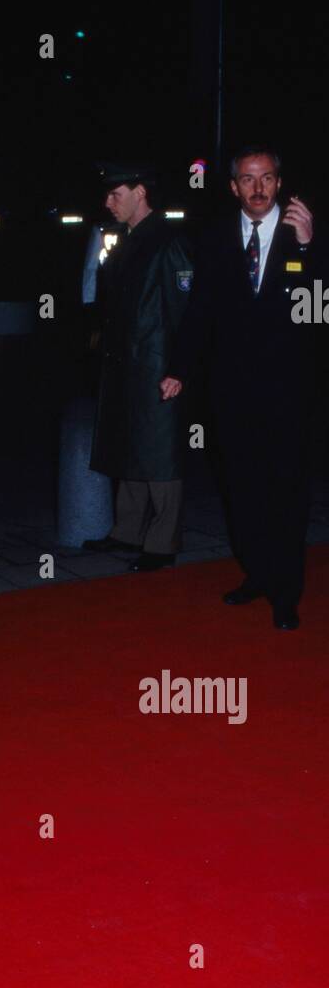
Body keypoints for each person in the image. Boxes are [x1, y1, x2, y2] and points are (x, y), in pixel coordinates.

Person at [162, 146, 324, 630]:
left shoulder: (307, 235)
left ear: (279, 182)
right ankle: (256, 572)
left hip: (290, 391)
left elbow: (319, 310)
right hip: (231, 392)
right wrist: (179, 368)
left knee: (286, 492)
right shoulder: (214, 239)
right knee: (241, 490)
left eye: (267, 178)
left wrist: (309, 249)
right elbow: (200, 313)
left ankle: (286, 592)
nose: (258, 188)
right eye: (248, 180)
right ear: (233, 187)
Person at [83, 160, 193, 571]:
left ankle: (162, 543)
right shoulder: (125, 238)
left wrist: (179, 369)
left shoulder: (169, 241)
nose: (108, 202)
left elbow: (184, 311)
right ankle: (127, 531)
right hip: (126, 364)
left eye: (117, 194)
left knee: (161, 454)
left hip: (157, 365)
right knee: (130, 446)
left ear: (140, 193)